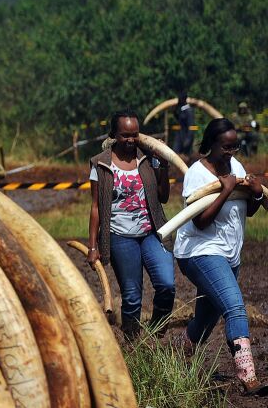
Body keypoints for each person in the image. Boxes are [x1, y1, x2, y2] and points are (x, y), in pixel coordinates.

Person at [173, 118, 268, 396]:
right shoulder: (197, 174)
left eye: (234, 146)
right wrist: (224, 190)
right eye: (226, 147)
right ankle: (248, 377)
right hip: (200, 252)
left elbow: (247, 211)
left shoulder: (236, 167)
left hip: (230, 254)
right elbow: (200, 222)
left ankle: (176, 355)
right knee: (235, 307)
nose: (231, 152)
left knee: (204, 321)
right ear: (211, 144)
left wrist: (255, 195)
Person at [88, 109, 174, 340]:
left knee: (166, 284)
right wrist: (93, 245)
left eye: (134, 135)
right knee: (132, 295)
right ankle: (132, 341)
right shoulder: (101, 164)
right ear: (114, 135)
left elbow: (163, 196)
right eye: (125, 135)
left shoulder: (147, 158)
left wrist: (163, 165)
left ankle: (157, 328)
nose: (130, 140)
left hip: (151, 232)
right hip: (119, 236)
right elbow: (96, 207)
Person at [173, 91, 195, 156]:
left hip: (185, 139)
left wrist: (188, 141)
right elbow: (179, 119)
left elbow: (192, 127)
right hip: (179, 138)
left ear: (183, 99)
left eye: (179, 99)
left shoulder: (189, 111)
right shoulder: (182, 110)